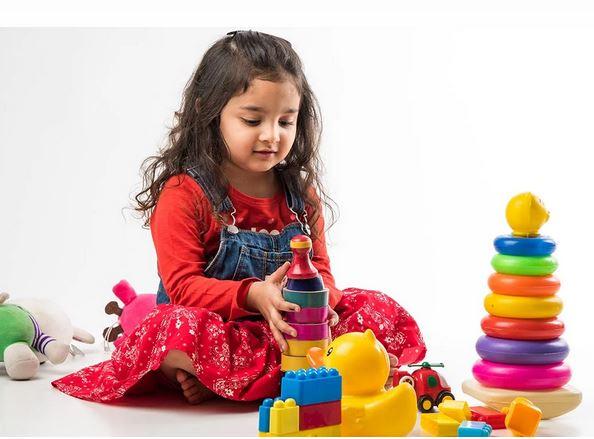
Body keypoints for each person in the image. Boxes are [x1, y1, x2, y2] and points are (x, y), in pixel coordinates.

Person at [52, 30, 426, 404]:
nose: (271, 136)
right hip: (219, 332)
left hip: (289, 332)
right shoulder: (185, 194)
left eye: (285, 122)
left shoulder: (301, 198)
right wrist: (253, 294)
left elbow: (322, 268)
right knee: (169, 329)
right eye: (252, 120)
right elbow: (182, 287)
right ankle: (229, 371)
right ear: (208, 111)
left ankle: (265, 374)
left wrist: (320, 305)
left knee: (373, 308)